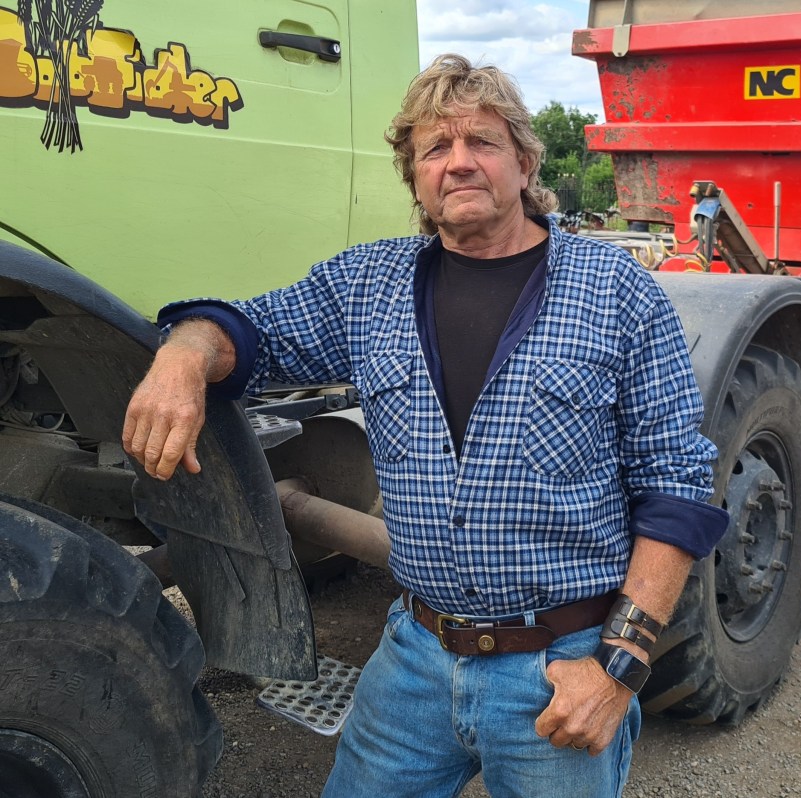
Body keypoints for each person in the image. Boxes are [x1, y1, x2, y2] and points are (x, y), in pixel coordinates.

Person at [123, 54, 729, 798]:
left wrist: (620, 670)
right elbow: (254, 331)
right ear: (414, 177)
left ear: (526, 161)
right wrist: (184, 352)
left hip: (561, 668)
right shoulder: (367, 285)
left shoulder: (619, 294)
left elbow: (676, 489)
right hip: (413, 660)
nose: (460, 162)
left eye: (483, 141)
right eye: (435, 149)